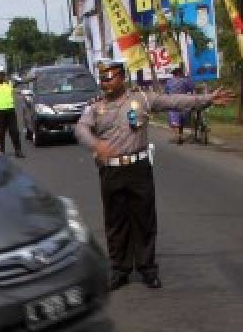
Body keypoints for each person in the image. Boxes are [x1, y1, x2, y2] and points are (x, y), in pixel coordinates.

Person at [76, 58, 234, 290]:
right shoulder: (95, 106)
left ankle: (147, 268)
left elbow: (175, 101)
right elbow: (80, 128)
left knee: (144, 220)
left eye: (109, 77)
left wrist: (207, 99)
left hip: (138, 169)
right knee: (116, 222)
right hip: (111, 170)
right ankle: (119, 269)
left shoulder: (142, 99)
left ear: (122, 77)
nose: (105, 83)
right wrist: (94, 144)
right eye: (102, 79)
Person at [0, 65, 24, 157]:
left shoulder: (9, 83)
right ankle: (1, 152)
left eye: (1, 74)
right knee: (0, 133)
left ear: (4, 75)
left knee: (14, 131)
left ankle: (18, 150)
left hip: (10, 111)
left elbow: (22, 81)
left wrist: (34, 77)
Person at [164, 66, 196, 145]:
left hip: (172, 102)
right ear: (180, 73)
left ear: (175, 74)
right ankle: (180, 135)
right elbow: (192, 89)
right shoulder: (185, 81)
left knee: (174, 121)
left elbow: (166, 92)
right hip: (183, 102)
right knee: (181, 120)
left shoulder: (169, 82)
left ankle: (178, 135)